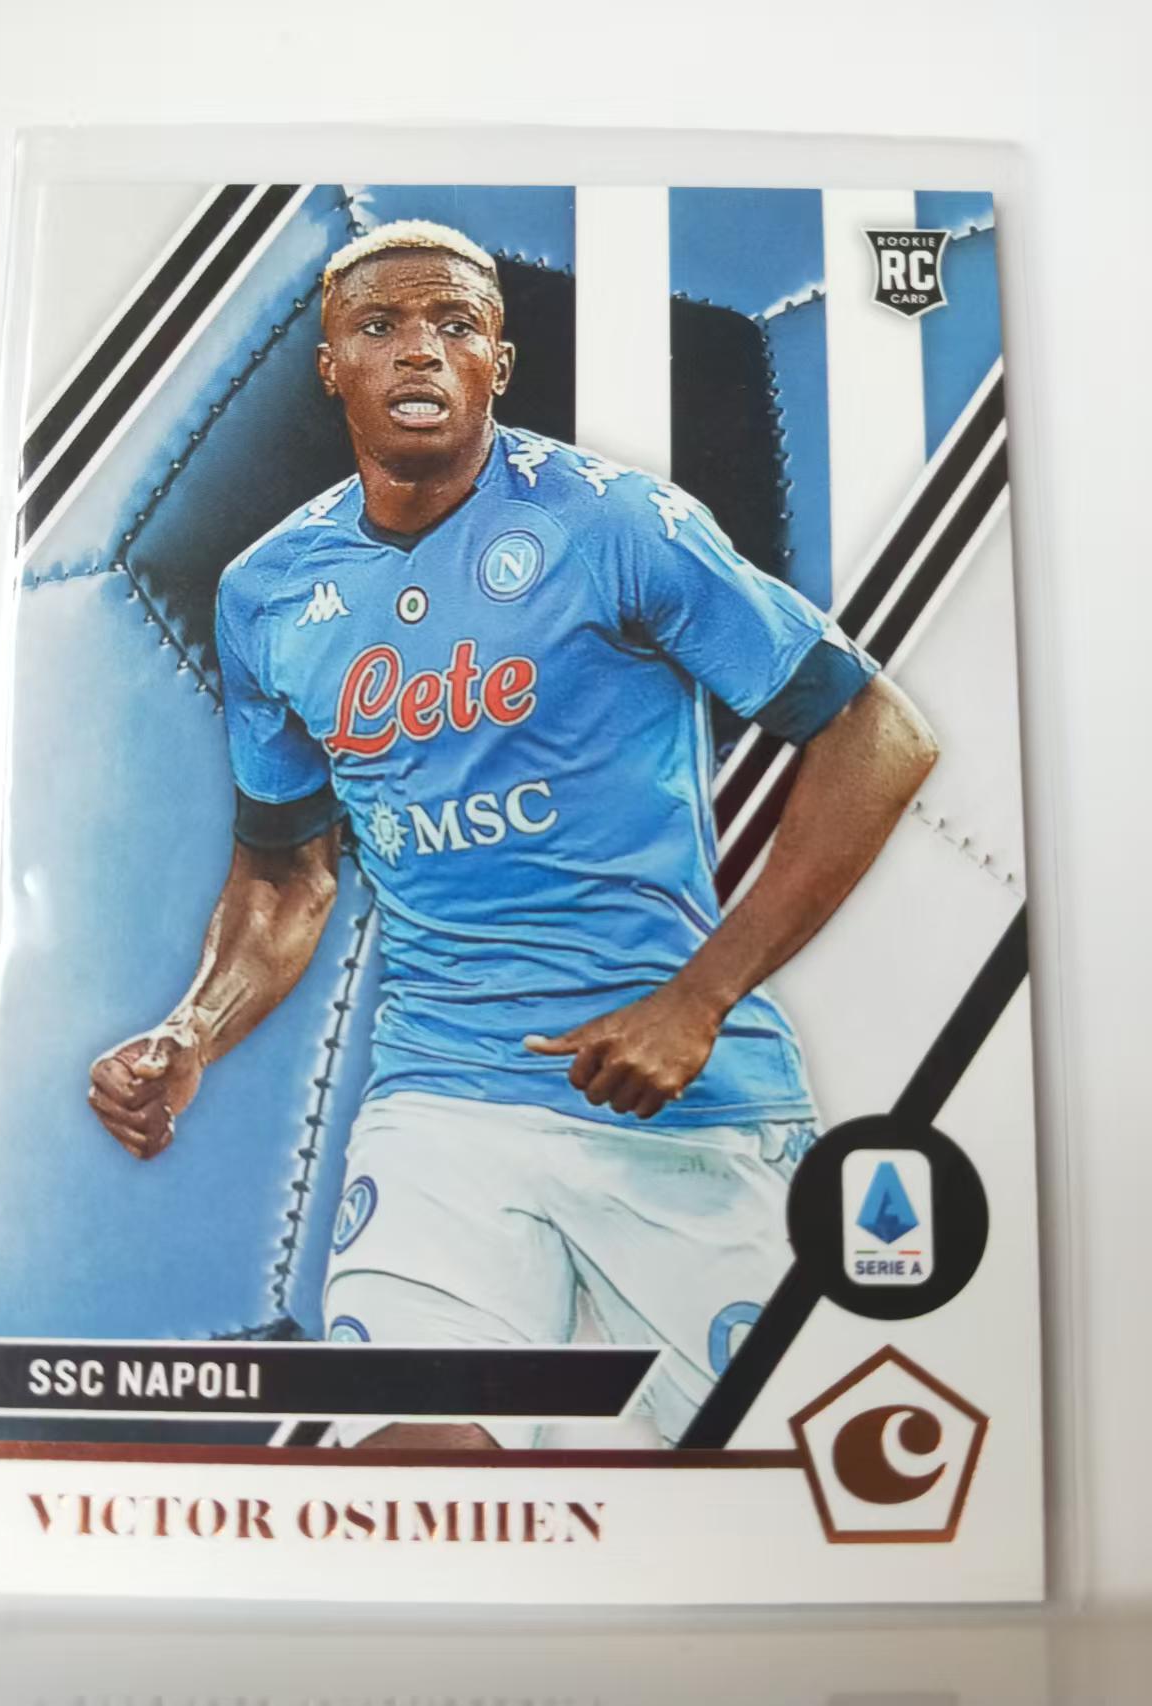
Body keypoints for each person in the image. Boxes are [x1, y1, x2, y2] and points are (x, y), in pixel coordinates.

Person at [88, 219, 938, 1449]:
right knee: (413, 1462)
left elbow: (879, 731)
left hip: (681, 1109)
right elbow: (284, 873)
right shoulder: (268, 592)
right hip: (442, 1102)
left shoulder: (617, 523)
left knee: (774, 1483)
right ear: (331, 365)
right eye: (379, 325)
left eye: (454, 324)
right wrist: (193, 1029)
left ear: (499, 359)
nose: (417, 350)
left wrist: (696, 1000)